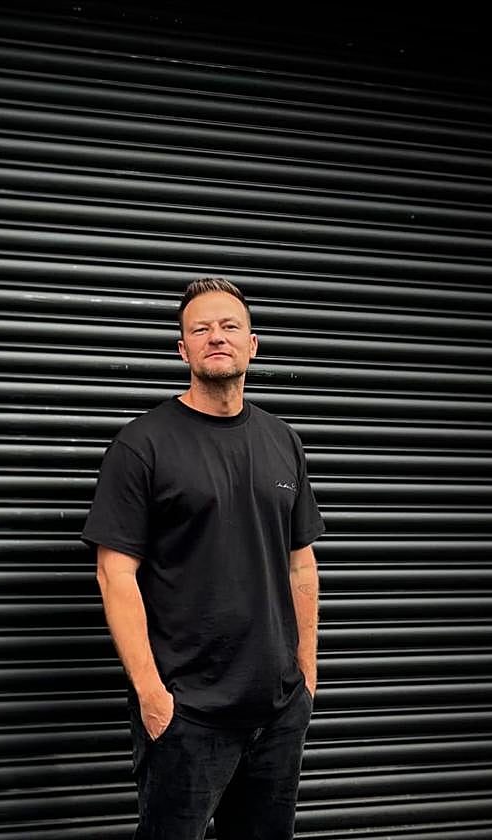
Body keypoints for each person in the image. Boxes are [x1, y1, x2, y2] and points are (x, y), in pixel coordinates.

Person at [81, 277, 323, 840]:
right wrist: (152, 696)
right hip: (186, 717)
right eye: (201, 329)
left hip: (277, 712)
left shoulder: (282, 441)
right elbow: (115, 574)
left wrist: (305, 678)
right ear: (182, 349)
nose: (217, 337)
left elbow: (300, 564)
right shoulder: (143, 444)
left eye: (230, 326)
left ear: (252, 344)